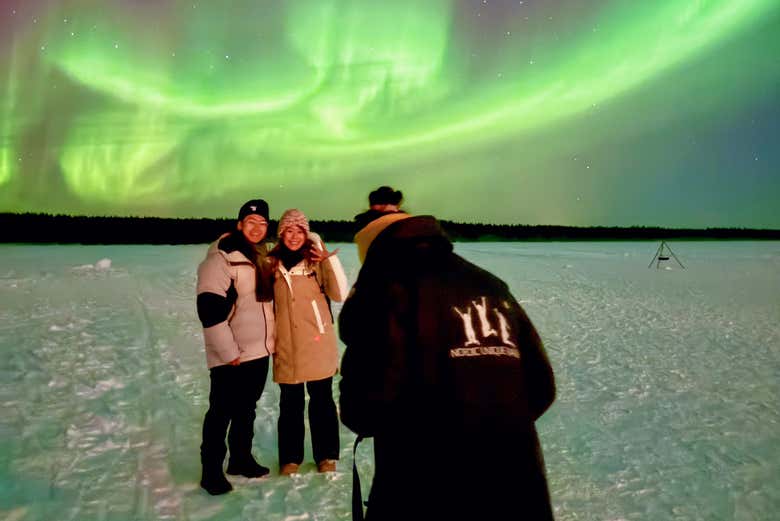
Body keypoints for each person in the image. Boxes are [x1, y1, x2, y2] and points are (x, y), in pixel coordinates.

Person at [338, 196, 557, 520]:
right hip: (517, 487)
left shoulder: (388, 290)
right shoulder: (491, 285)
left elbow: (364, 409)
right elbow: (541, 386)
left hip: (427, 491)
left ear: (373, 250)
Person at [195, 199, 275, 495]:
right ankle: (210, 471)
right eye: (250, 223)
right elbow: (210, 310)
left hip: (257, 351)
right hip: (232, 355)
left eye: (262, 224)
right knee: (221, 412)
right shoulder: (221, 258)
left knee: (246, 410)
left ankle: (240, 459)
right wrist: (229, 353)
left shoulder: (259, 256)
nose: (256, 228)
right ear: (239, 225)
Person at [268, 209, 349, 475]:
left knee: (322, 401)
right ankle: (290, 458)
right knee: (290, 403)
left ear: (307, 234)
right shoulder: (271, 263)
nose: (293, 236)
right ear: (281, 235)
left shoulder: (316, 262)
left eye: (299, 231)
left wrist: (328, 260)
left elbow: (340, 293)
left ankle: (326, 456)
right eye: (288, 231)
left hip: (316, 341)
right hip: (286, 343)